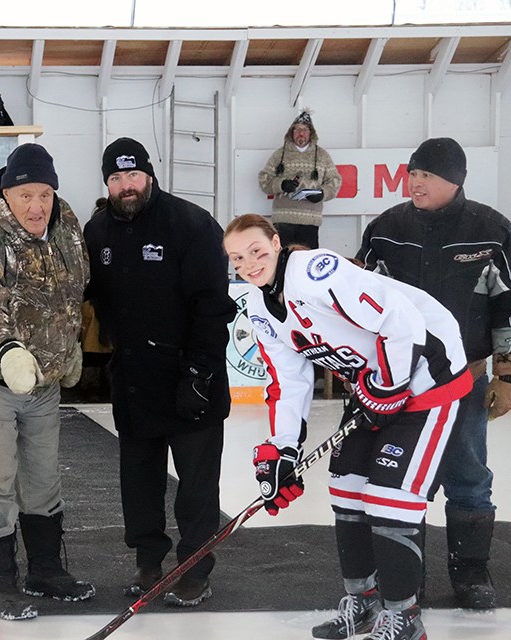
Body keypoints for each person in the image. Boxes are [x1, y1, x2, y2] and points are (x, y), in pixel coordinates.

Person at [224, 214, 473, 640]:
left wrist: (390, 388)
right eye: (237, 258)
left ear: (277, 242)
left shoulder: (317, 273)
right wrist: (282, 448)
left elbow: (403, 322)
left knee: (390, 496)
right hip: (374, 385)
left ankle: (404, 618)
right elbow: (288, 379)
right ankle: (364, 603)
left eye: (257, 251)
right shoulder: (259, 306)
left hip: (429, 374)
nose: (248, 264)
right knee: (346, 487)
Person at [0, 143, 94, 620]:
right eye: (26, 194)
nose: (36, 205)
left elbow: (73, 292)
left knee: (44, 478)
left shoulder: (67, 226)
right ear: (8, 194)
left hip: (44, 384)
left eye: (44, 193)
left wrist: (67, 348)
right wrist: (8, 351)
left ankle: (46, 571)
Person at [357, 137, 510, 610]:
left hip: (466, 379)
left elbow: (508, 308)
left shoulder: (492, 231)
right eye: (412, 173)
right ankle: (408, 575)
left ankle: (470, 573)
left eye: (426, 174)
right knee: (404, 478)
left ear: (455, 180)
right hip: (402, 384)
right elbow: (360, 308)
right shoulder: (385, 229)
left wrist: (507, 374)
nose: (414, 181)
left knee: (468, 474)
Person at [83, 137, 236, 607]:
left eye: (133, 176)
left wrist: (199, 373)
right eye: (116, 178)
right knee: (140, 483)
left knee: (196, 489)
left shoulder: (191, 224)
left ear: (149, 175)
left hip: (192, 379)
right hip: (134, 382)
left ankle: (194, 570)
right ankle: (148, 565)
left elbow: (214, 307)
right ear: (107, 183)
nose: (126, 186)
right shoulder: (97, 232)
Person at [257, 110, 342, 249]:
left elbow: (334, 181)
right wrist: (282, 185)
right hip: (283, 220)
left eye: (305, 130)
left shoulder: (322, 155)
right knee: (283, 263)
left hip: (310, 221)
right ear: (291, 132)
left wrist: (322, 194)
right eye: (297, 130)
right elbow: (263, 180)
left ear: (311, 133)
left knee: (308, 264)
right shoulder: (279, 155)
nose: (301, 134)